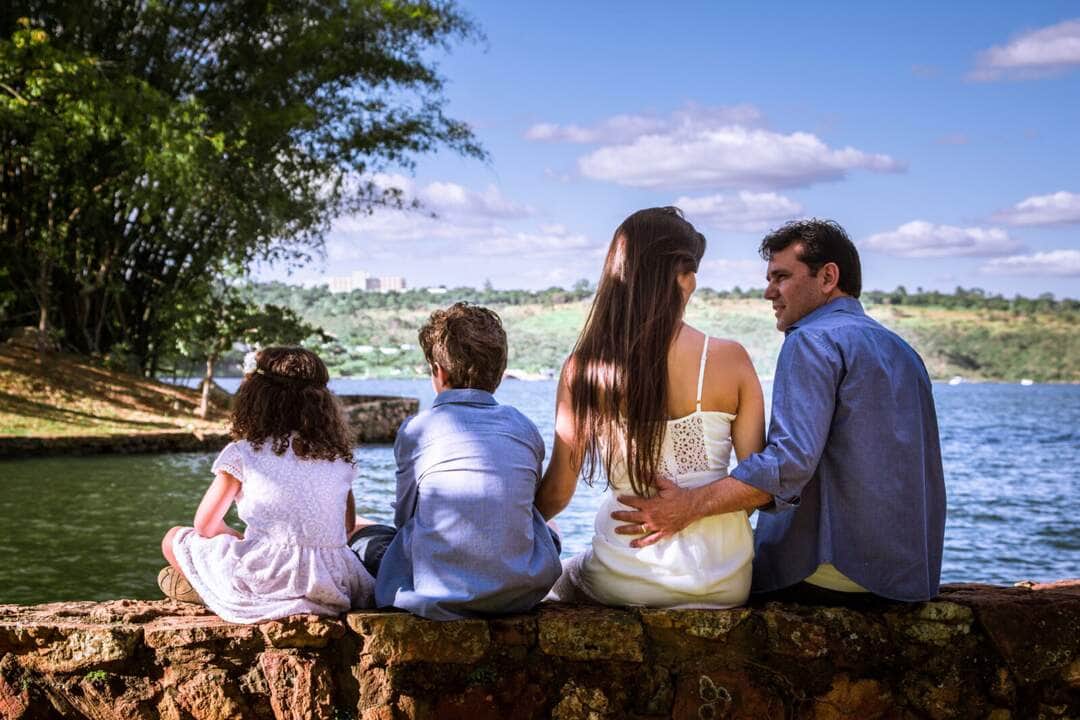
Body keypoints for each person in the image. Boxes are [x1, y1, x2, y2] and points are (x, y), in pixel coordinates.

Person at [612, 219, 946, 603]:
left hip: (832, 573)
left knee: (701, 583)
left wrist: (688, 506)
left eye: (781, 277)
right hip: (904, 577)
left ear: (828, 277)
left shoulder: (810, 340)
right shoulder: (903, 351)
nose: (769, 292)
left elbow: (788, 464)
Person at [538, 206, 766, 608]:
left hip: (626, 574)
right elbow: (761, 485)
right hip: (725, 578)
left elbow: (558, 491)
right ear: (686, 279)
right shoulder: (731, 359)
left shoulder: (585, 368)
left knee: (558, 583)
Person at [349, 302, 562, 621]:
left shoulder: (417, 429)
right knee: (548, 525)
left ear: (439, 371)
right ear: (500, 374)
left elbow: (404, 518)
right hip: (520, 592)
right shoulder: (524, 427)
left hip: (437, 593)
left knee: (364, 535)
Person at [159, 347, 374, 623]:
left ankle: (214, 593)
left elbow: (205, 526)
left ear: (256, 399)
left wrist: (239, 539)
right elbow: (345, 528)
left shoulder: (243, 453)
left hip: (266, 576)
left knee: (173, 538)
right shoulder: (339, 459)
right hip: (330, 583)